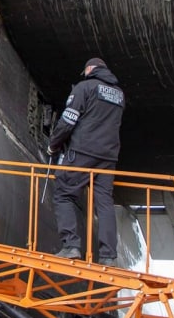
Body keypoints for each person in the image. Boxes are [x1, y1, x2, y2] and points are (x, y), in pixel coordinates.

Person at [47, 57, 124, 261]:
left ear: (90, 69)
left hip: (83, 152)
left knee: (63, 192)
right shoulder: (119, 95)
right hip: (108, 157)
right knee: (104, 203)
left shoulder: (85, 87)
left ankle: (71, 245)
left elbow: (68, 119)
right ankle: (108, 256)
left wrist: (53, 143)